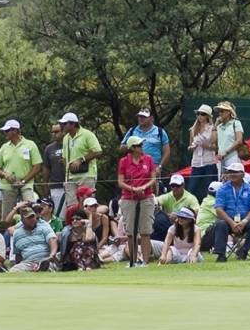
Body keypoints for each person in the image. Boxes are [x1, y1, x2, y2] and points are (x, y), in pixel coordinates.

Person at [111, 135, 156, 267]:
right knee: (130, 232)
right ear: (132, 148)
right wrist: (133, 188)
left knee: (145, 231)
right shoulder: (124, 161)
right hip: (128, 198)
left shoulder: (148, 159)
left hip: (146, 196)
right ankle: (133, 261)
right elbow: (120, 182)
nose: (141, 147)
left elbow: (153, 179)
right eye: (139, 145)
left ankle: (145, 262)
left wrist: (143, 187)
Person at [209, 164, 250, 262]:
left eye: (235, 172)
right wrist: (232, 223)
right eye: (230, 172)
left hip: (245, 221)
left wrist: (245, 221)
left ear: (242, 174)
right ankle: (221, 255)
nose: (231, 174)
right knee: (220, 223)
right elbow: (219, 209)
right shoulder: (222, 189)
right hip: (228, 221)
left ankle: (244, 251)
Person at [0, 119, 42, 221]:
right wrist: (5, 175)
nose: (5, 133)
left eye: (7, 131)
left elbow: (37, 166)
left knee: (30, 210)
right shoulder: (4, 147)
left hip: (26, 184)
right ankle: (7, 234)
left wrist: (23, 181)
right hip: (7, 185)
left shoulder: (30, 144)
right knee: (7, 215)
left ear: (14, 131)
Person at [123, 109, 173, 189]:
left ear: (151, 118)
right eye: (139, 116)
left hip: (153, 167)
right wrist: (133, 146)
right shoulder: (132, 130)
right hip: (134, 167)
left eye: (144, 117)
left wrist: (160, 166)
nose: (141, 119)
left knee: (151, 193)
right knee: (133, 191)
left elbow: (167, 151)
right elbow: (122, 147)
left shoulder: (160, 132)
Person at [58, 112, 101, 204]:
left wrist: (81, 160)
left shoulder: (87, 134)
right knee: (72, 205)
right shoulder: (66, 138)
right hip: (70, 177)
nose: (63, 126)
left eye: (65, 124)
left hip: (86, 175)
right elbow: (65, 158)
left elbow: (98, 151)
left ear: (73, 124)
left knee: (87, 204)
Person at [7, 207, 58, 272]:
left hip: (45, 259)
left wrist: (52, 255)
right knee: (14, 271)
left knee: (48, 266)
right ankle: (6, 272)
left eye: (33, 216)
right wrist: (18, 264)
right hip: (28, 262)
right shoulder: (17, 234)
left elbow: (52, 239)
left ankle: (41, 268)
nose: (32, 219)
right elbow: (18, 254)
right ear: (22, 220)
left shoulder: (43, 226)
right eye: (28, 218)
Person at [188, 105, 218, 200]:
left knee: (207, 188)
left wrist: (205, 145)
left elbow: (216, 147)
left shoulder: (212, 128)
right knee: (191, 188)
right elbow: (190, 146)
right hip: (196, 162)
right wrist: (192, 147)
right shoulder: (193, 129)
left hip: (209, 162)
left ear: (208, 116)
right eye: (198, 114)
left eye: (203, 114)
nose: (200, 116)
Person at [214, 101, 246, 180]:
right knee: (221, 181)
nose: (220, 113)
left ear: (229, 112)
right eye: (219, 111)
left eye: (222, 111)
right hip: (221, 158)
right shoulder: (219, 126)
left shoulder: (236, 123)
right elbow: (214, 142)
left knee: (234, 180)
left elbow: (239, 140)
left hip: (232, 157)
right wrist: (215, 124)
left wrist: (226, 152)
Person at [42, 124, 67, 209]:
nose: (53, 134)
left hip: (71, 182)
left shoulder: (71, 144)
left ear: (64, 131)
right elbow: (46, 167)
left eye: (56, 132)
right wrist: (45, 185)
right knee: (58, 212)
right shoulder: (49, 148)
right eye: (52, 132)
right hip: (56, 185)